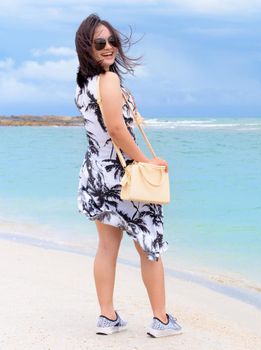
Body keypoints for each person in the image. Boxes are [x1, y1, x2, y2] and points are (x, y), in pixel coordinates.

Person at [74, 13, 182, 338]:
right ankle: (161, 320)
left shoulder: (84, 83)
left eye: (112, 41)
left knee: (107, 247)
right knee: (150, 245)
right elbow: (118, 130)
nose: (108, 47)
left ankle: (108, 317)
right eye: (100, 43)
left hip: (96, 174)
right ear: (87, 48)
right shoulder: (107, 81)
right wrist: (146, 162)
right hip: (123, 177)